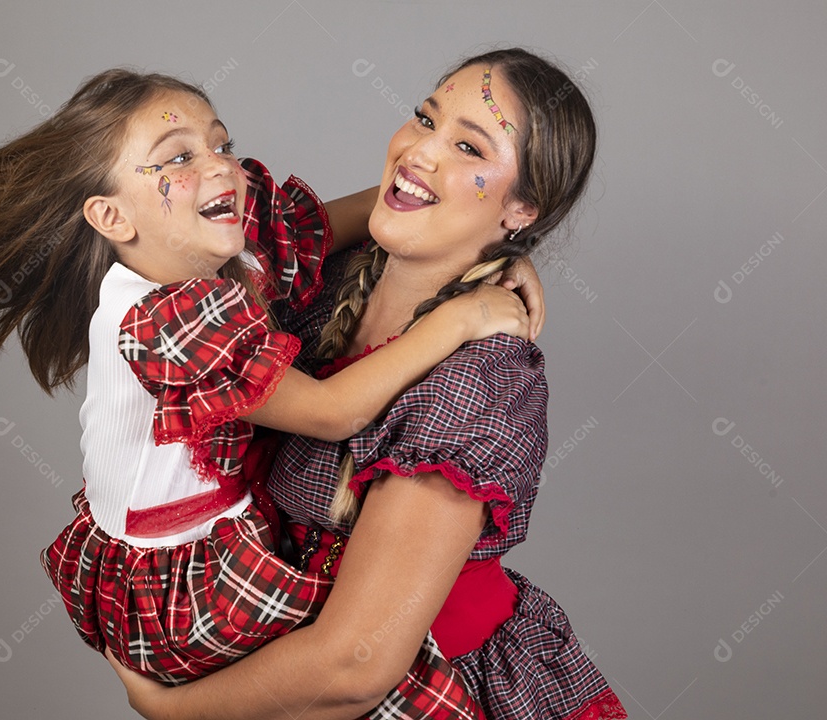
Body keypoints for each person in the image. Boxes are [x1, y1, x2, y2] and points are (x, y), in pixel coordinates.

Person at [0, 68, 546, 719]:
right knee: (364, 675)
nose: (220, 166)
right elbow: (334, 413)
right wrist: (466, 308)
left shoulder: (209, 252)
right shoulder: (165, 318)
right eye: (177, 157)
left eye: (221, 143)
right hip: (182, 580)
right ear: (111, 216)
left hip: (212, 547)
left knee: (356, 663)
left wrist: (493, 243)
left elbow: (362, 216)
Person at [109, 49, 628, 720]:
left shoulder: (478, 381)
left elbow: (356, 666)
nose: (420, 151)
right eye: (424, 118)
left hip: (422, 691)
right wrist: (494, 261)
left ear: (523, 208)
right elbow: (196, 246)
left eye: (468, 146)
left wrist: (172, 711)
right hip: (282, 675)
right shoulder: (323, 286)